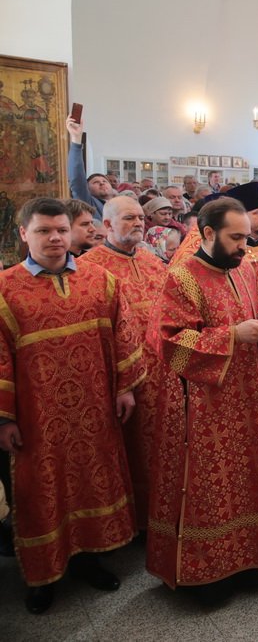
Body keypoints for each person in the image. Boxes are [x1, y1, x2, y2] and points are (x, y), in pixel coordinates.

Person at [147, 198, 258, 604]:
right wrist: (233, 335)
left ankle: (251, 564)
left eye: (246, 237)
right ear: (208, 233)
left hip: (247, 399)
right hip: (204, 408)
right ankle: (209, 578)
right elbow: (169, 343)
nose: (243, 246)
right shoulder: (182, 278)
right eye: (234, 238)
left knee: (248, 482)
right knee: (211, 491)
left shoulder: (244, 269)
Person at [0, 198, 144, 614]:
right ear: (24, 234)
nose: (55, 238)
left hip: (95, 412)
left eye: (61, 229)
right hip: (36, 420)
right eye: (44, 231)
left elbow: (124, 335)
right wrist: (4, 417)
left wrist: (124, 388)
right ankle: (43, 577)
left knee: (89, 481)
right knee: (39, 494)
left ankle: (89, 561)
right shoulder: (6, 288)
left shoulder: (99, 280)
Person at [82, 196, 169, 525]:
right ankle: (132, 522)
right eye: (129, 218)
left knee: (160, 450)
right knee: (127, 453)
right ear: (107, 225)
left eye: (140, 218)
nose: (138, 223)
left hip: (161, 375)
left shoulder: (151, 261)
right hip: (122, 380)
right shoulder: (91, 267)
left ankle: (159, 516)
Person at [66, 116, 113, 222]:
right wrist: (76, 139)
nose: (101, 183)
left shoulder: (120, 203)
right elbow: (77, 178)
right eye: (95, 182)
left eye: (104, 181)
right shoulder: (89, 203)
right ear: (87, 188)